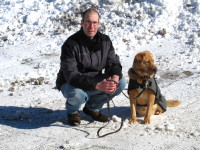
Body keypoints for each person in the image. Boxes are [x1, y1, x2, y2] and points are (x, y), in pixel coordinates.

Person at [56, 8, 126, 126]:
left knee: (121, 82)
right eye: (88, 22)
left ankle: (92, 108)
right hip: (71, 82)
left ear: (99, 24)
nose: (91, 26)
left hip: (94, 80)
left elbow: (113, 62)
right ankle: (73, 112)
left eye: (94, 23)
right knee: (78, 95)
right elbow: (71, 75)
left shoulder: (105, 41)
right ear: (82, 23)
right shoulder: (70, 44)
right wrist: (98, 85)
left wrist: (114, 79)